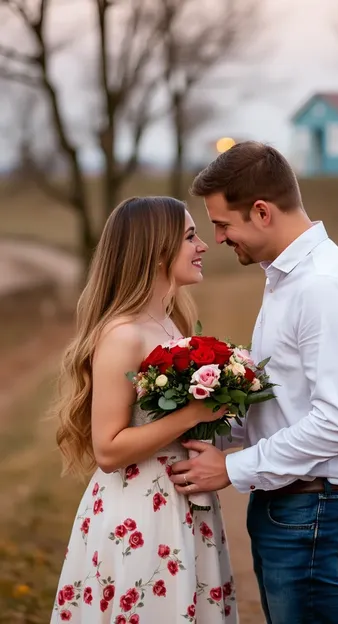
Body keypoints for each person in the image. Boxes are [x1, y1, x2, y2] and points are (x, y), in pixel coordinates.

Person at [170, 142, 338, 624]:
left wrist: (234, 467)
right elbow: (283, 404)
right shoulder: (287, 280)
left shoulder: (322, 287)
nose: (218, 239)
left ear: (262, 212)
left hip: (318, 506)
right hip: (297, 501)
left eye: (223, 224)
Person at [51, 196, 238, 624]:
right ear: (156, 252)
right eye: (190, 236)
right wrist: (192, 415)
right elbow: (108, 450)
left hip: (182, 504)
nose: (203, 245)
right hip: (142, 512)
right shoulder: (122, 335)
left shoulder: (170, 322)